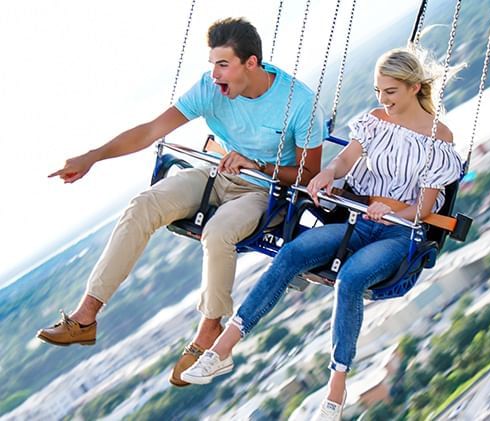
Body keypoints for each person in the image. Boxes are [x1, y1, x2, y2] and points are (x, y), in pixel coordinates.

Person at [37, 17, 326, 388]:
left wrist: (257, 165)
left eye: (223, 64)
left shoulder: (297, 101)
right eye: (212, 64)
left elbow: (305, 175)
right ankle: (86, 317)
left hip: (264, 191)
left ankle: (209, 331)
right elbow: (150, 131)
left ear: (251, 63)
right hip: (219, 175)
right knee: (142, 205)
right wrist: (92, 156)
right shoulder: (211, 88)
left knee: (218, 231)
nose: (214, 74)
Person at [178, 47, 464, 420]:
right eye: (378, 91)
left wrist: (393, 210)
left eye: (390, 91)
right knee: (292, 254)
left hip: (398, 236)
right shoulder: (375, 121)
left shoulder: (439, 136)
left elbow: (424, 209)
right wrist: (328, 173)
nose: (383, 100)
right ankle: (222, 349)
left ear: (413, 87)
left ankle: (336, 387)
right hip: (357, 223)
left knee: (351, 280)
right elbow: (346, 160)